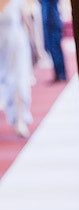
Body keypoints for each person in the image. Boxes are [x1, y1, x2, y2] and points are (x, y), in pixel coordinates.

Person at [0, 0, 33, 138]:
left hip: (16, 45)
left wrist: (37, 47)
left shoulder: (17, 1)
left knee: (18, 80)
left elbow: (26, 21)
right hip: (1, 48)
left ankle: (20, 119)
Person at [39, 0, 62, 82]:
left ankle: (60, 73)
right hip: (51, 21)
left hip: (53, 21)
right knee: (52, 46)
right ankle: (59, 72)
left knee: (55, 45)